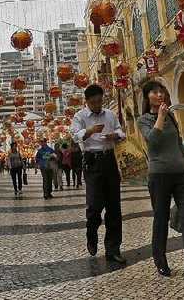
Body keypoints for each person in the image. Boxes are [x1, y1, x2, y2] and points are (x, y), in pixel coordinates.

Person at [137, 81, 184, 289]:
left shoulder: (171, 116)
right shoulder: (143, 119)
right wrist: (160, 117)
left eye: (161, 91)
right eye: (154, 92)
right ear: (147, 97)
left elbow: (179, 143)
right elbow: (152, 141)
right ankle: (160, 261)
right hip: (159, 176)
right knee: (160, 219)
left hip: (180, 174)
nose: (160, 94)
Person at [70, 84, 126, 264]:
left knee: (114, 207)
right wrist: (89, 131)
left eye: (99, 101)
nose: (97, 105)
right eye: (93, 102)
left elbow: (120, 130)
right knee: (94, 206)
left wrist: (115, 136)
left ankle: (113, 248)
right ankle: (91, 232)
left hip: (110, 160)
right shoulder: (80, 117)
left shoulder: (109, 114)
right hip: (92, 161)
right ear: (86, 101)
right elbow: (75, 136)